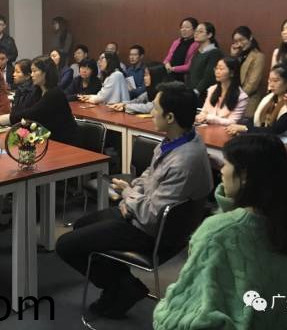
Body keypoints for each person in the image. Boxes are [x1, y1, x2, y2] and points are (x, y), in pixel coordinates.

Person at [56, 82, 213, 319]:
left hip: (152, 231)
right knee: (81, 226)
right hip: (141, 213)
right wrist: (131, 193)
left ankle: (122, 288)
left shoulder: (184, 160)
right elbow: (150, 174)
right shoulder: (182, 139)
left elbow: (151, 215)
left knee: (66, 245)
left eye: (155, 108)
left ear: (170, 117)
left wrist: (128, 196)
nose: (151, 112)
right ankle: (123, 283)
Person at [153, 134, 287, 330]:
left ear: (244, 175)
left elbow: (181, 315)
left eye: (226, 164)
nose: (221, 170)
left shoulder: (218, 231)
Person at [0, 56, 78, 146]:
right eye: (31, 71)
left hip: (64, 141)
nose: (32, 75)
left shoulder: (54, 93)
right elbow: (23, 113)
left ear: (45, 72)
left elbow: (30, 113)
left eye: (35, 71)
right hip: (45, 138)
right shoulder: (37, 91)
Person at [226, 65, 287, 137]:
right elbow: (254, 120)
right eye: (270, 80)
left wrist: (245, 128)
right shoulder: (269, 98)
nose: (271, 85)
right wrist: (239, 128)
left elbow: (276, 130)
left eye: (275, 81)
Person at [196, 57, 248, 126]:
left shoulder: (241, 97)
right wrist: (200, 116)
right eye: (216, 68)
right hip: (207, 127)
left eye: (221, 69)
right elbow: (204, 111)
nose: (217, 72)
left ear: (232, 73)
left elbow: (232, 122)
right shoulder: (212, 89)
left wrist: (209, 118)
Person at [232, 26, 265, 118]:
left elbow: (253, 83)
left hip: (248, 100)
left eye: (242, 40)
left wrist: (238, 97)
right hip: (234, 98)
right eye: (236, 41)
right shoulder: (239, 55)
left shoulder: (258, 56)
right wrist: (233, 57)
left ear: (250, 37)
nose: (239, 44)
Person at [188, 22, 223, 102]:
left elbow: (209, 76)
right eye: (196, 31)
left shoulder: (214, 52)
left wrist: (197, 91)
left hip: (205, 95)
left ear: (209, 35)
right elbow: (190, 72)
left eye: (200, 31)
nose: (196, 34)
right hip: (192, 93)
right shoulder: (198, 52)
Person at [163, 17, 199, 82]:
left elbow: (190, 66)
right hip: (169, 71)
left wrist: (173, 69)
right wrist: (167, 64)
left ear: (195, 30)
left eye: (187, 27)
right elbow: (168, 57)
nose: (183, 30)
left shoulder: (196, 44)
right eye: (182, 27)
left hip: (183, 76)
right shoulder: (177, 42)